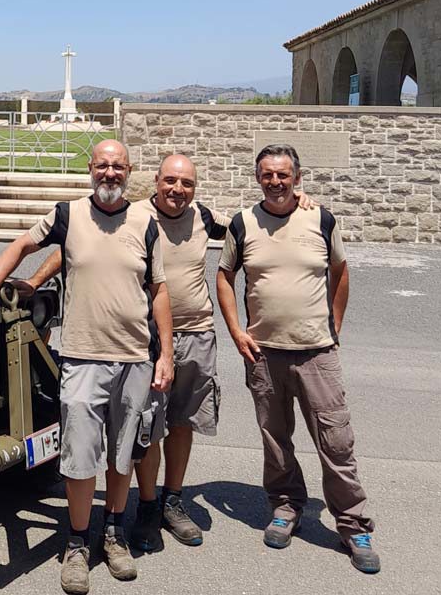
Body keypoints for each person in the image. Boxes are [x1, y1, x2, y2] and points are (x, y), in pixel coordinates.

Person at [21, 154, 314, 552]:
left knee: (182, 423)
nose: (177, 190)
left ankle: (171, 500)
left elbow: (254, 223)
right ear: (156, 181)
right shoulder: (135, 215)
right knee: (147, 427)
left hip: (197, 333)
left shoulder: (204, 217)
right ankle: (146, 506)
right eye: (170, 181)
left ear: (194, 187)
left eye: (186, 183)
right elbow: (74, 248)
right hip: (148, 337)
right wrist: (34, 280)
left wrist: (297, 201)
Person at [0, 140, 173, 594]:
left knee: (122, 454)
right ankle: (76, 543)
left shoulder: (145, 223)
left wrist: (166, 355)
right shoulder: (67, 215)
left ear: (129, 170)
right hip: (81, 357)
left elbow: (159, 292)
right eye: (102, 166)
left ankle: (113, 533)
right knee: (78, 457)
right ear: (90, 168)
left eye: (118, 167)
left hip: (134, 358)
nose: (110, 174)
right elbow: (21, 244)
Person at [216, 144, 379, 574]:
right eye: (267, 175)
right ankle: (286, 506)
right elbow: (224, 275)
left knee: (336, 441)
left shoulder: (321, 219)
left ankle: (353, 524)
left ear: (297, 177)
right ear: (258, 178)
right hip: (263, 352)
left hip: (316, 352)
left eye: (283, 175)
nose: (275, 182)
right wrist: (235, 330)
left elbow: (340, 271)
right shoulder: (243, 223)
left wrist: (334, 326)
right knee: (275, 438)